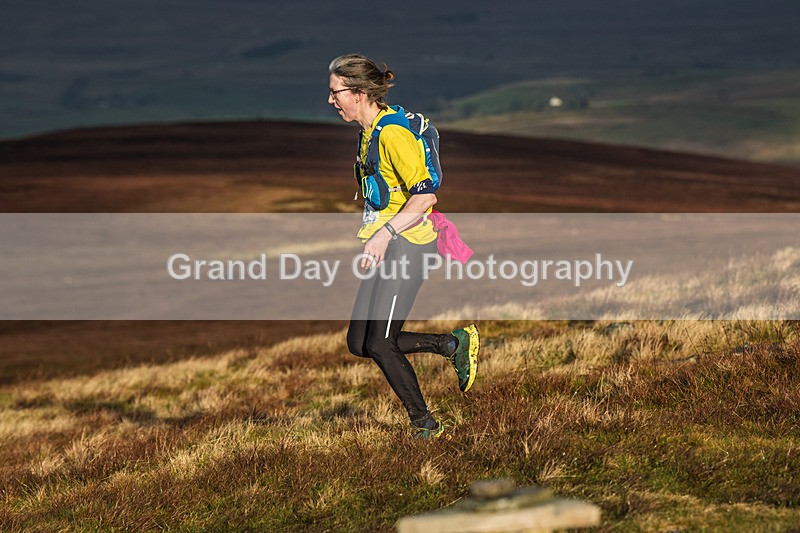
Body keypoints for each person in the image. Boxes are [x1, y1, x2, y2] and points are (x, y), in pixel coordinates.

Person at [327, 53, 480, 439]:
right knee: (360, 342)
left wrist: (384, 235)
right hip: (387, 249)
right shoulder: (369, 132)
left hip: (410, 247)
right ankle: (451, 343)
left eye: (336, 93)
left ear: (359, 93)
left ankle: (425, 424)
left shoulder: (392, 134)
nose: (331, 101)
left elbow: (425, 196)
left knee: (380, 343)